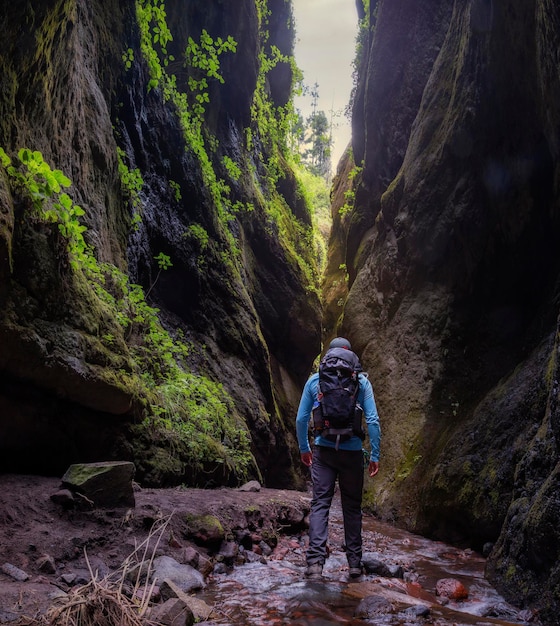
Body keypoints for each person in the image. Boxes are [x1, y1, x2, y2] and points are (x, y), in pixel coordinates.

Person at [295, 337, 381, 579]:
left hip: (323, 452)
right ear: (350, 356)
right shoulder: (361, 382)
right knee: (352, 508)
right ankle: (354, 564)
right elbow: (373, 420)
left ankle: (314, 564)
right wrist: (375, 453)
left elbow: (301, 419)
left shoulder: (316, 379)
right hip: (352, 454)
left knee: (321, 504)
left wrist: (304, 447)